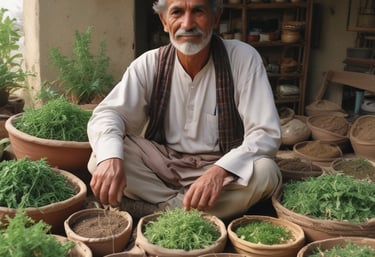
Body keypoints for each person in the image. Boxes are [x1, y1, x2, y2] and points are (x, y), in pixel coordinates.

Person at [87, 0, 282, 220]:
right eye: (177, 12)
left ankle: (161, 212)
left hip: (222, 166)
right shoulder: (150, 63)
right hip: (163, 164)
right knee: (101, 157)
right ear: (164, 21)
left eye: (198, 11)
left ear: (215, 18)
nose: (187, 24)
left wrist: (219, 171)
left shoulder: (243, 59)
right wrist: (111, 159)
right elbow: (109, 114)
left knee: (266, 172)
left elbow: (265, 133)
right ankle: (191, 210)